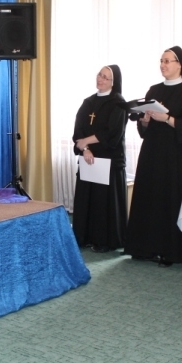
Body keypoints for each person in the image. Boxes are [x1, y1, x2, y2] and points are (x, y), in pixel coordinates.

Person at [124, 46, 182, 266]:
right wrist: (145, 121)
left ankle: (172, 251)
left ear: (180, 65)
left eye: (167, 61)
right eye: (161, 60)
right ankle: (146, 248)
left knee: (171, 200)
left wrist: (167, 118)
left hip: (176, 157)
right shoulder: (154, 90)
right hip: (152, 153)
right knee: (150, 199)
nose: (163, 65)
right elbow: (144, 129)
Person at [72, 65, 128, 253]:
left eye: (105, 77)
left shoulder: (119, 103)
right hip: (88, 158)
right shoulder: (88, 102)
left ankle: (105, 241)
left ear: (113, 82)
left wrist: (86, 141)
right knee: (87, 199)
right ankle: (85, 237)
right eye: (99, 75)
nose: (100, 79)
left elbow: (112, 132)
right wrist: (85, 149)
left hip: (109, 160)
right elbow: (78, 129)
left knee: (104, 203)